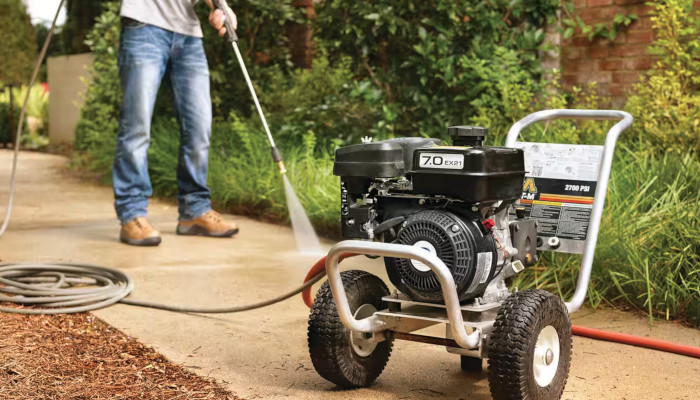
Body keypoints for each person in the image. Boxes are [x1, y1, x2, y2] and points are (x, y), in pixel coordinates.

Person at [115, 0, 239, 246]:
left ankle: (194, 211)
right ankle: (132, 214)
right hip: (144, 24)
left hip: (189, 33)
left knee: (199, 128)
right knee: (136, 127)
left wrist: (219, 6)